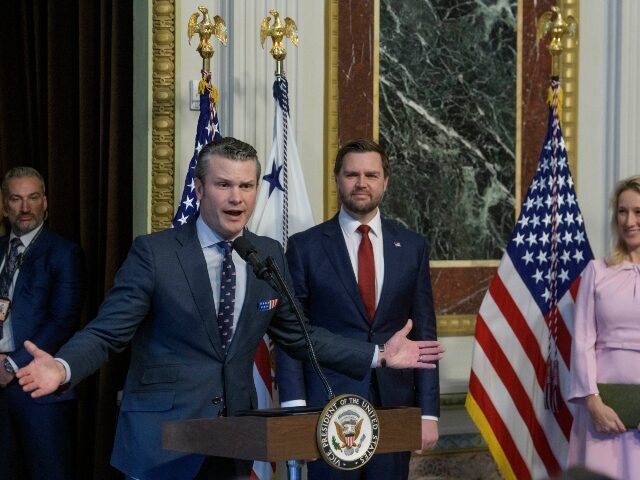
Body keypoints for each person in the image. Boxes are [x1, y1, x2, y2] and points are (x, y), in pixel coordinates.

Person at [16, 137, 445, 480]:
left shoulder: (267, 255)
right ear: (200, 188)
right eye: (224, 185)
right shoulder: (156, 253)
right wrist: (63, 366)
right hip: (163, 442)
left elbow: (302, 338)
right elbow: (108, 332)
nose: (236, 197)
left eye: (246, 186)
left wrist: (379, 355)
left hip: (236, 441)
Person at [276, 138, 440, 480]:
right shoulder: (305, 248)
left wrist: (428, 414)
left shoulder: (411, 246)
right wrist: (294, 410)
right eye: (352, 174)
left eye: (371, 174)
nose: (361, 183)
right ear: (337, 179)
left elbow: (424, 337)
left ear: (385, 181)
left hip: (393, 407)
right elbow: (292, 334)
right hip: (327, 408)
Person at [0, 167, 85, 480]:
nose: (25, 208)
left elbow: (62, 320)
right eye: (16, 199)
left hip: (39, 387)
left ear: (45, 203)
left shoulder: (63, 252)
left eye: (33, 198)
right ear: (4, 204)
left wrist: (9, 366)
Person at [566, 174, 640, 479]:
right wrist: (593, 403)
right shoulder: (597, 271)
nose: (629, 221)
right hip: (601, 412)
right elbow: (582, 340)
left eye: (638, 212)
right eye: (622, 211)